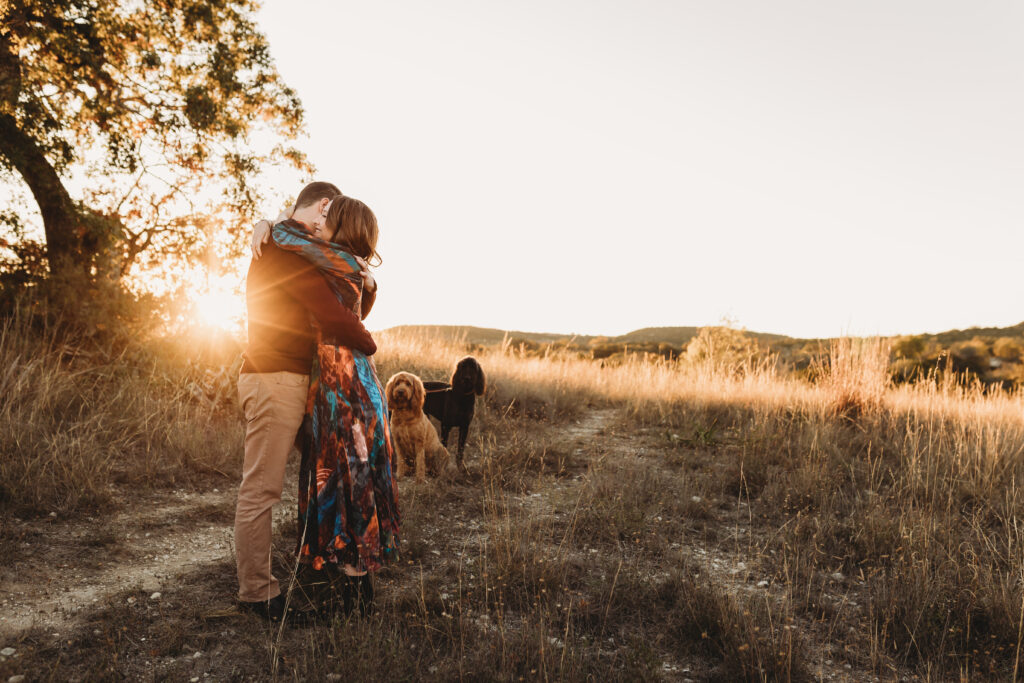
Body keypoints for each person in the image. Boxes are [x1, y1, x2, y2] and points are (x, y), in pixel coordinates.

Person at [235, 181, 378, 625]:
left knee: (330, 478)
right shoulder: (280, 248)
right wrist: (370, 345)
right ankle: (258, 595)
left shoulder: (291, 244)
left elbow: (345, 307)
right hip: (275, 379)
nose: (329, 229)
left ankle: (328, 571)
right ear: (322, 207)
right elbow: (338, 318)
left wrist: (367, 283)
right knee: (262, 489)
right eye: (329, 219)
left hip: (300, 383)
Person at [264, 195, 399, 617]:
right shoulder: (345, 264)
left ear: (343, 228)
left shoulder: (332, 258)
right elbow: (357, 307)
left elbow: (285, 235)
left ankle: (356, 598)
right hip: (343, 384)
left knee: (349, 483)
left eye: (328, 218)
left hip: (347, 388)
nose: (318, 224)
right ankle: (348, 582)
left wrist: (267, 223)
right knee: (347, 480)